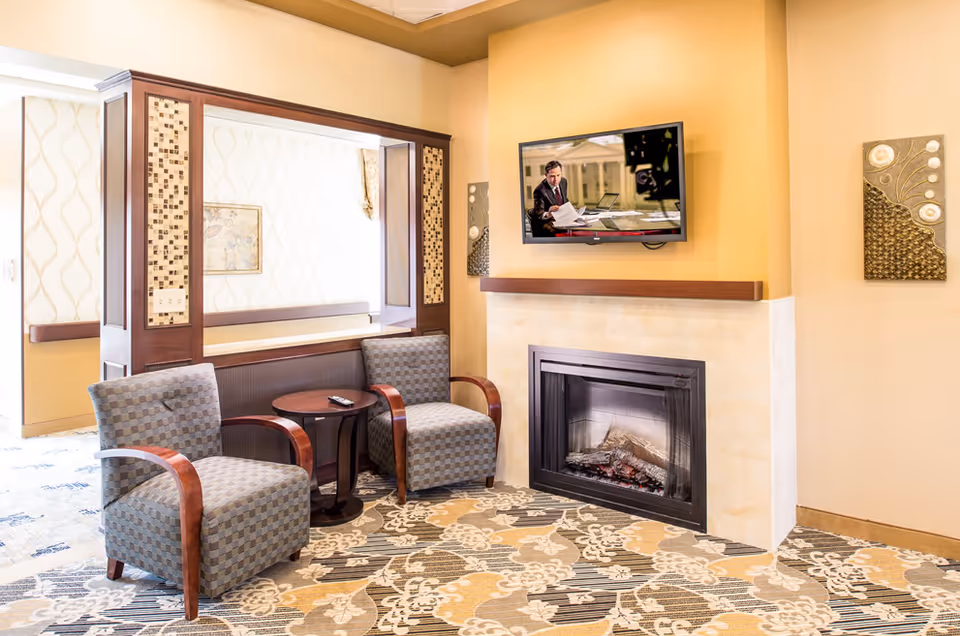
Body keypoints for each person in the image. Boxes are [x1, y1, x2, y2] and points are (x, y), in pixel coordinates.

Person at [529, 160, 568, 237]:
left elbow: (564, 199)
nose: (556, 179)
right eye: (552, 176)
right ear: (546, 175)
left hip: (563, 220)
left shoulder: (563, 182)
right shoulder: (539, 191)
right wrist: (548, 214)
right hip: (550, 224)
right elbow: (539, 213)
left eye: (558, 175)